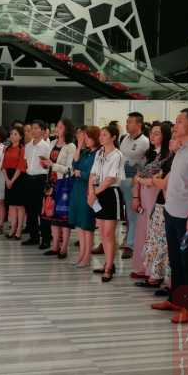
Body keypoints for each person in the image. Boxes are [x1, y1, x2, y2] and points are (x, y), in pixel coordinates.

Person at [152, 108, 188, 324]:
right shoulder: (181, 149)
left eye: (179, 122)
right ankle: (175, 299)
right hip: (172, 213)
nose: (175, 126)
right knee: (175, 260)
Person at [131, 121, 172, 280]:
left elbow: (157, 180)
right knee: (142, 231)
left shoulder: (167, 156)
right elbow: (137, 176)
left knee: (153, 234)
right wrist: (136, 195)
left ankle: (152, 272)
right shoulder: (149, 154)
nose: (152, 136)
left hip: (156, 195)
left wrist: (141, 180)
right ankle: (142, 267)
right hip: (144, 194)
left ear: (165, 136)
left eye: (157, 133)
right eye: (151, 133)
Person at [137, 132, 178, 289]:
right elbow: (156, 177)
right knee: (156, 242)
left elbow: (162, 182)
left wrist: (153, 180)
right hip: (160, 203)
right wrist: (155, 179)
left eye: (175, 139)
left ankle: (169, 283)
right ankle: (156, 276)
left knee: (166, 244)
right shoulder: (169, 158)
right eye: (172, 138)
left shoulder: (180, 159)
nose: (171, 141)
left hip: (171, 205)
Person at [88, 124, 126, 283]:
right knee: (102, 233)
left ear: (113, 137)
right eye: (101, 135)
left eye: (104, 135)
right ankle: (107, 263)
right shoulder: (99, 152)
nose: (101, 137)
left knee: (109, 233)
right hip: (98, 192)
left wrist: (95, 192)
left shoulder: (117, 155)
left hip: (111, 194)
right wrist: (91, 192)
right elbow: (93, 174)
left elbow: (111, 178)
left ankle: (109, 267)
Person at [41, 118, 76, 259]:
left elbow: (70, 169)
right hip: (51, 183)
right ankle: (55, 246)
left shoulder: (71, 146)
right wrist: (45, 164)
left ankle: (64, 247)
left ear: (67, 129)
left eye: (60, 127)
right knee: (52, 215)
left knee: (63, 217)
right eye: (57, 126)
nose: (57, 129)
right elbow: (50, 162)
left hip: (63, 183)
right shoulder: (52, 142)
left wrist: (53, 165)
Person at [119, 112, 149, 260]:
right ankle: (128, 239)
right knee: (127, 214)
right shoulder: (125, 138)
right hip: (122, 178)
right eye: (127, 121)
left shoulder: (144, 141)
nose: (127, 124)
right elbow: (122, 157)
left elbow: (132, 160)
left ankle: (131, 245)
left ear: (139, 124)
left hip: (133, 180)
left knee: (133, 214)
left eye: (130, 122)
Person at [69, 125, 100, 268]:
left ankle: (87, 257)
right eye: (84, 137)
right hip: (77, 189)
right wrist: (79, 145)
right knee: (79, 225)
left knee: (87, 225)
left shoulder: (98, 154)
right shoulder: (86, 152)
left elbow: (96, 175)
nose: (85, 140)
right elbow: (74, 163)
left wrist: (81, 173)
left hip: (87, 190)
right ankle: (81, 254)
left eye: (88, 137)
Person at [22, 120, 51, 247]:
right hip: (29, 178)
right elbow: (26, 163)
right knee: (30, 209)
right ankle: (33, 236)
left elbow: (49, 165)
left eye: (36, 128)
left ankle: (46, 239)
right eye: (32, 128)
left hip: (41, 179)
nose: (33, 131)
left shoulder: (46, 147)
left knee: (42, 210)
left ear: (42, 131)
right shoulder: (28, 146)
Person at [2, 126, 27, 240]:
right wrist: (7, 179)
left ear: (21, 136)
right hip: (8, 177)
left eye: (15, 134)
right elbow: (3, 165)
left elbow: (21, 166)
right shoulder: (7, 148)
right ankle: (12, 228)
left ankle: (19, 230)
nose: (12, 136)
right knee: (11, 205)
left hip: (19, 178)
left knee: (19, 206)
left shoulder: (22, 148)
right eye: (11, 134)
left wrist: (12, 180)